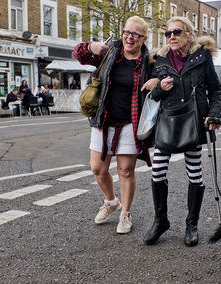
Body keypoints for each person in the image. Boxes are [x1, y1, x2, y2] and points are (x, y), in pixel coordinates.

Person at [74, 16, 158, 234]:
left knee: (126, 170)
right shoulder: (109, 52)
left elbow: (166, 76)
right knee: (97, 169)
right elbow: (79, 54)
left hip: (131, 123)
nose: (130, 37)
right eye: (127, 32)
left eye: (136, 35)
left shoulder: (149, 62)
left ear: (144, 38)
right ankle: (111, 202)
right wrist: (91, 45)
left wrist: (158, 81)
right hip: (103, 120)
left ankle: (125, 214)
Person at [143, 16, 221, 247]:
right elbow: (150, 96)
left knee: (195, 174)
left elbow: (215, 90)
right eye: (168, 33)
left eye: (177, 32)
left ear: (189, 34)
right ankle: (160, 221)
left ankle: (192, 224)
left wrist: (215, 114)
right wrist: (159, 87)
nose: (172, 37)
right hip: (166, 123)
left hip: (194, 122)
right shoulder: (158, 59)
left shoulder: (202, 57)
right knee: (157, 172)